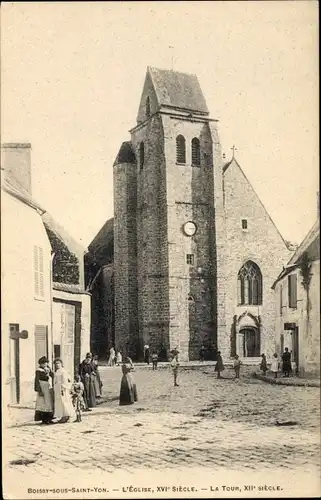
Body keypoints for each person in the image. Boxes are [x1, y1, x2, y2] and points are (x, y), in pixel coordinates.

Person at [53, 358, 75, 423]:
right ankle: (62, 416)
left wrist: (63, 387)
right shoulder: (57, 371)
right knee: (59, 403)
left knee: (64, 402)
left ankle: (66, 415)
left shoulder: (63, 371)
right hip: (57, 389)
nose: (57, 365)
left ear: (61, 364)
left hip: (62, 389)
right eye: (56, 364)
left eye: (58, 363)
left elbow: (66, 380)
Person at [34, 356, 54, 424]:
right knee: (42, 403)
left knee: (48, 402)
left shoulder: (48, 369)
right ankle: (43, 419)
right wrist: (39, 390)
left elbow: (52, 375)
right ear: (40, 364)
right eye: (43, 363)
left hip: (47, 386)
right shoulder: (38, 370)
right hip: (42, 387)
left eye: (46, 363)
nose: (45, 364)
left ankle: (49, 418)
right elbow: (37, 380)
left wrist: (50, 371)